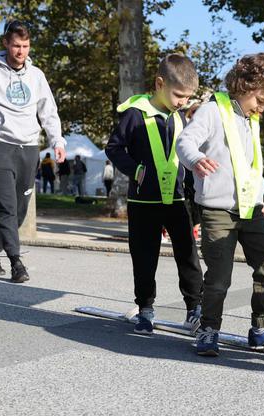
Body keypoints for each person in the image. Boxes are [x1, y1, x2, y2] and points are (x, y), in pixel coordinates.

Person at [176, 52, 264, 356]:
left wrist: (260, 203)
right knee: (219, 276)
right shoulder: (211, 111)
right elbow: (185, 142)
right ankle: (208, 330)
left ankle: (260, 329)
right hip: (218, 211)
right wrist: (196, 159)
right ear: (244, 85)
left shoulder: (250, 120)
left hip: (251, 211)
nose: (262, 107)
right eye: (260, 99)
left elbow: (251, 167)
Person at [106, 53, 204, 335]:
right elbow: (113, 148)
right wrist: (135, 170)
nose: (183, 102)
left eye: (187, 97)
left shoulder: (181, 117)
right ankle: (145, 308)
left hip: (176, 199)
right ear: (160, 83)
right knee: (144, 256)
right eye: (178, 95)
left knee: (187, 254)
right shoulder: (134, 114)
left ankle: (194, 308)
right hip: (143, 201)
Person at [0, 20, 66, 282]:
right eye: (16, 46)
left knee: (19, 211)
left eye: (25, 46)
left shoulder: (37, 76)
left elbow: (49, 112)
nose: (21, 51)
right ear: (5, 44)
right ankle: (16, 262)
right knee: (6, 208)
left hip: (29, 148)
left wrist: (57, 141)